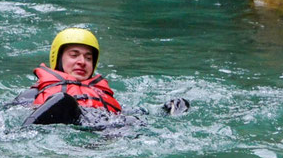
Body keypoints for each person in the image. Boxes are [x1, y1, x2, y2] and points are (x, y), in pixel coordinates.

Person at [16, 28, 189, 124]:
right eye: (74, 55)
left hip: (101, 129)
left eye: (88, 57)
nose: (82, 62)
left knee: (132, 121)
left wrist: (164, 110)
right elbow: (4, 111)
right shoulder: (35, 94)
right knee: (63, 99)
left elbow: (125, 113)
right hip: (66, 129)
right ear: (58, 59)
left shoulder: (102, 95)